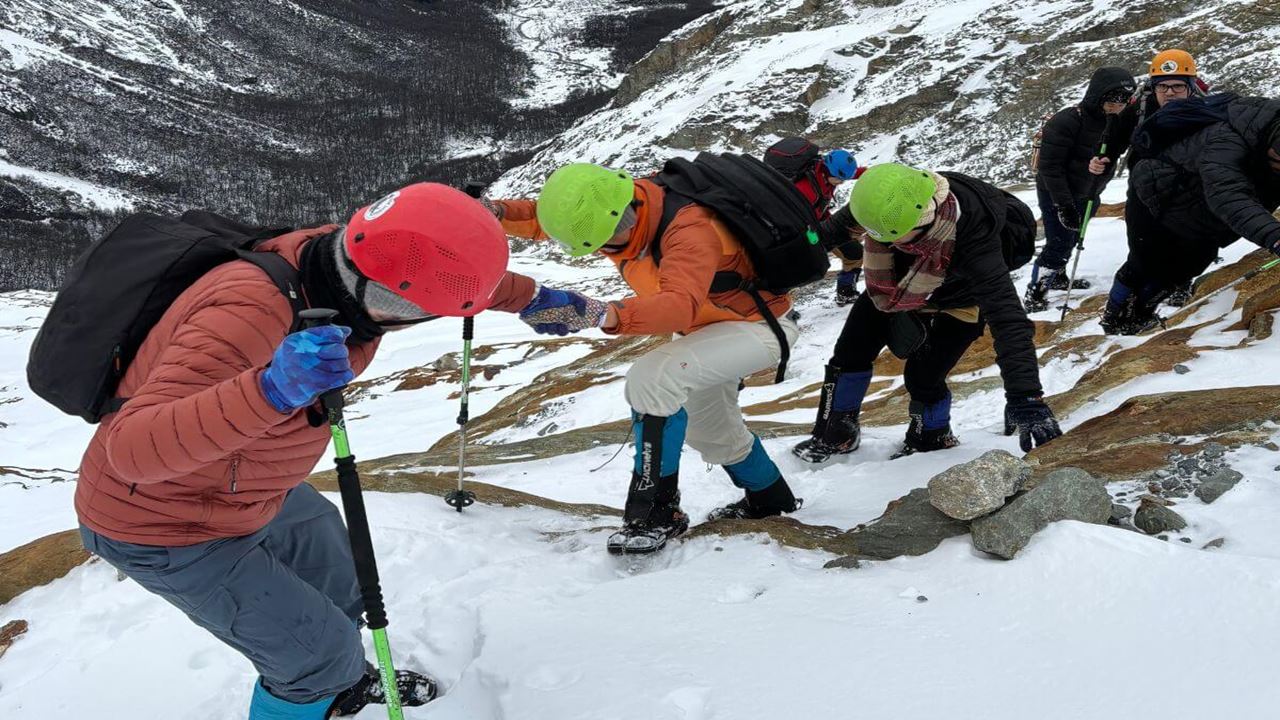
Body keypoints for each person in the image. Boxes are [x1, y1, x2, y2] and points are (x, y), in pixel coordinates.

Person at [73, 183, 552, 719]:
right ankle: (319, 681)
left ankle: (340, 685)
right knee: (316, 658)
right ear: (395, 302)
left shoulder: (349, 257)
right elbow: (133, 452)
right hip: (161, 522)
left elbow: (443, 273)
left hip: (244, 485)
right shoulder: (249, 312)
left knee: (338, 579)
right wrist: (270, 392)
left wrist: (539, 299)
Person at [488, 162, 804, 554]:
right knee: (711, 432)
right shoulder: (621, 205)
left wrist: (602, 314)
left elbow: (678, 306)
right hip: (707, 329)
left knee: (652, 379)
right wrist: (496, 212)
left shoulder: (689, 230)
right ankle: (771, 499)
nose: (603, 250)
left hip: (759, 327)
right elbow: (545, 219)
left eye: (606, 243)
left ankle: (654, 513)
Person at [791, 164, 1062, 463]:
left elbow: (1008, 320)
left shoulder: (977, 244)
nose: (885, 244)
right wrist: (778, 267)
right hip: (895, 285)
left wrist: (1025, 396)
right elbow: (823, 237)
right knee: (850, 351)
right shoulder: (885, 200)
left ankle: (931, 438)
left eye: (895, 238)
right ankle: (836, 430)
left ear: (924, 222)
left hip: (960, 299)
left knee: (924, 376)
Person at [1101, 94, 1280, 334]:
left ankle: (1141, 312)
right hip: (1155, 196)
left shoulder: (1270, 141)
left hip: (1202, 212)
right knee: (1143, 262)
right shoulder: (1225, 139)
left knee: (1190, 266)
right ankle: (1114, 319)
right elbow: (1228, 195)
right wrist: (1274, 236)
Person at [1107, 49, 1212, 316]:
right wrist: (1103, 159)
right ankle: (1116, 313)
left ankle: (1170, 291)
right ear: (1153, 87)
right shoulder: (1139, 111)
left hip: (1189, 194)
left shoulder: (1206, 112)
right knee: (1141, 256)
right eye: (1162, 86)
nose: (1169, 92)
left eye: (1177, 86)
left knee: (1186, 250)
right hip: (1142, 194)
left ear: (1190, 86)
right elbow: (1114, 139)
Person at [1023, 67, 1138, 312]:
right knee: (1059, 243)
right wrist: (1063, 205)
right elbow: (1050, 168)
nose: (1118, 104)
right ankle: (1035, 292)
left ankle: (1058, 277)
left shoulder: (1116, 121)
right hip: (1056, 192)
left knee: (1074, 237)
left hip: (1088, 191)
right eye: (1113, 97)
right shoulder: (1066, 121)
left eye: (1124, 99)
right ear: (1098, 94)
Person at [763, 138, 865, 305]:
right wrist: (814, 242)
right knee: (803, 268)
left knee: (855, 253)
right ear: (829, 172)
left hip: (822, 223)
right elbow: (797, 221)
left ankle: (846, 292)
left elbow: (851, 173)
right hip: (806, 231)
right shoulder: (807, 189)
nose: (842, 182)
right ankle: (779, 303)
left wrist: (873, 173)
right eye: (840, 179)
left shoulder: (827, 170)